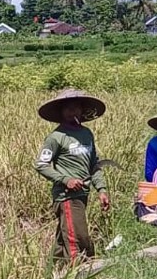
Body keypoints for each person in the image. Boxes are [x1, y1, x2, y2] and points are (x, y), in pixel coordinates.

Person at [34, 88, 110, 262]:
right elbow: (41, 165)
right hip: (67, 196)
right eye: (68, 108)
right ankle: (80, 271)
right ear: (61, 112)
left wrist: (101, 189)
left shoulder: (87, 134)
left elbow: (94, 164)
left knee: (65, 237)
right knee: (77, 238)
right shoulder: (56, 137)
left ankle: (54, 270)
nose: (72, 112)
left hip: (83, 193)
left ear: (82, 110)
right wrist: (66, 180)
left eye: (76, 108)